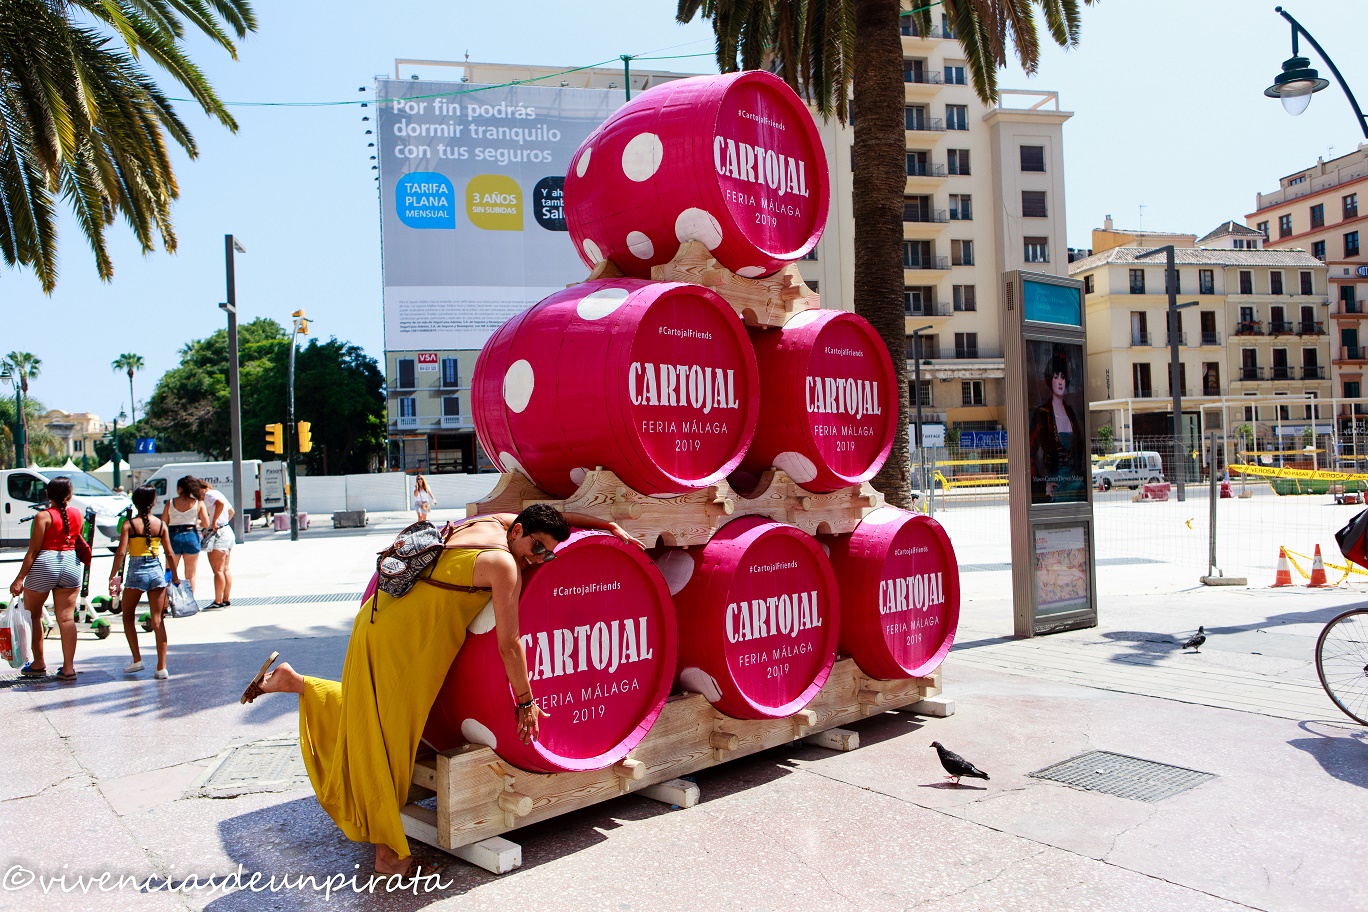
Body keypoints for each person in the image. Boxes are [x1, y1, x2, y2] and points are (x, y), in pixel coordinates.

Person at [239, 504, 641, 876]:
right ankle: (389, 855)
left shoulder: (493, 523)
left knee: (371, 710)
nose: (539, 558)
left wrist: (603, 524)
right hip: (407, 646)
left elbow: (554, 514)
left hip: (378, 618)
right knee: (389, 743)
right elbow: (509, 644)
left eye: (548, 554)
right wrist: (525, 702)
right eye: (537, 548)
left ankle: (297, 682)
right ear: (518, 532)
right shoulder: (504, 565)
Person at [7, 477, 83, 680]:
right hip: (71, 563)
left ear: (48, 494)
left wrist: (19, 579)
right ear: (70, 494)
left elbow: (33, 551)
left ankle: (38, 663)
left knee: (33, 615)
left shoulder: (43, 516)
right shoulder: (78, 514)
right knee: (67, 618)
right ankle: (68, 669)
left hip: (46, 563)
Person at [111, 485, 178, 679]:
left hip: (136, 571)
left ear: (135, 502)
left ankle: (137, 659)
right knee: (158, 620)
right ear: (154, 502)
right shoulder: (161, 525)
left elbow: (121, 552)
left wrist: (113, 575)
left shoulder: (129, 525)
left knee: (127, 616)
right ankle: (161, 667)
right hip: (156, 571)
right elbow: (170, 553)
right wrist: (174, 576)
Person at [1029, 351, 1087, 503]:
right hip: (1055, 483)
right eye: (1056, 377)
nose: (1060, 382)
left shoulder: (1071, 413)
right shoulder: (1043, 413)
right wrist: (1043, 484)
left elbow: (1080, 451)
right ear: (1050, 380)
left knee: (1080, 489)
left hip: (1073, 480)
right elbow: (1030, 454)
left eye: (1063, 377)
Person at [162, 476, 209, 598]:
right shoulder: (198, 503)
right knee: (190, 575)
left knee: (169, 572)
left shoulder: (170, 502)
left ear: (179, 488)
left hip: (173, 536)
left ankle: (167, 601)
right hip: (191, 536)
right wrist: (195, 522)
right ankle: (189, 601)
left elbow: (164, 522)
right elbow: (206, 523)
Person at [201, 481, 235, 610]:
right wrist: (223, 521)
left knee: (218, 570)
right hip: (227, 531)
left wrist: (214, 522)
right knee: (225, 568)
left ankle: (218, 601)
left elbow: (220, 504)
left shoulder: (209, 494)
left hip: (218, 533)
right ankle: (226, 599)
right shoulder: (217, 493)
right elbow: (231, 511)